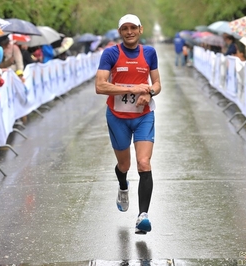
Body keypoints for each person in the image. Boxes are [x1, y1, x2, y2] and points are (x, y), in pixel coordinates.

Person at [95, 14, 161, 234]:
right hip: (117, 117)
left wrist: (149, 92)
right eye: (125, 28)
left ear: (140, 29)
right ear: (120, 31)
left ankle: (143, 216)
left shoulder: (149, 53)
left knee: (144, 163)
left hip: (144, 115)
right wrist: (131, 90)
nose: (129, 31)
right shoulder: (111, 53)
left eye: (133, 27)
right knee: (124, 166)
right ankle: (123, 187)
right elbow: (100, 86)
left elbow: (158, 83)